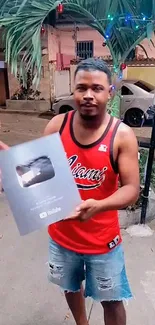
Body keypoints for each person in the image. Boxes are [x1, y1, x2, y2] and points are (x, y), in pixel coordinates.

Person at [44, 58, 139, 325]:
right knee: (71, 287)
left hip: (103, 241)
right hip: (62, 236)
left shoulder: (122, 135)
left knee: (112, 299)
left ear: (110, 92)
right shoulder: (56, 127)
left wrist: (98, 205)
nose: (88, 95)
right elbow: (38, 176)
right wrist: (14, 171)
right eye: (81, 87)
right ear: (73, 91)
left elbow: (132, 189)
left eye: (96, 88)